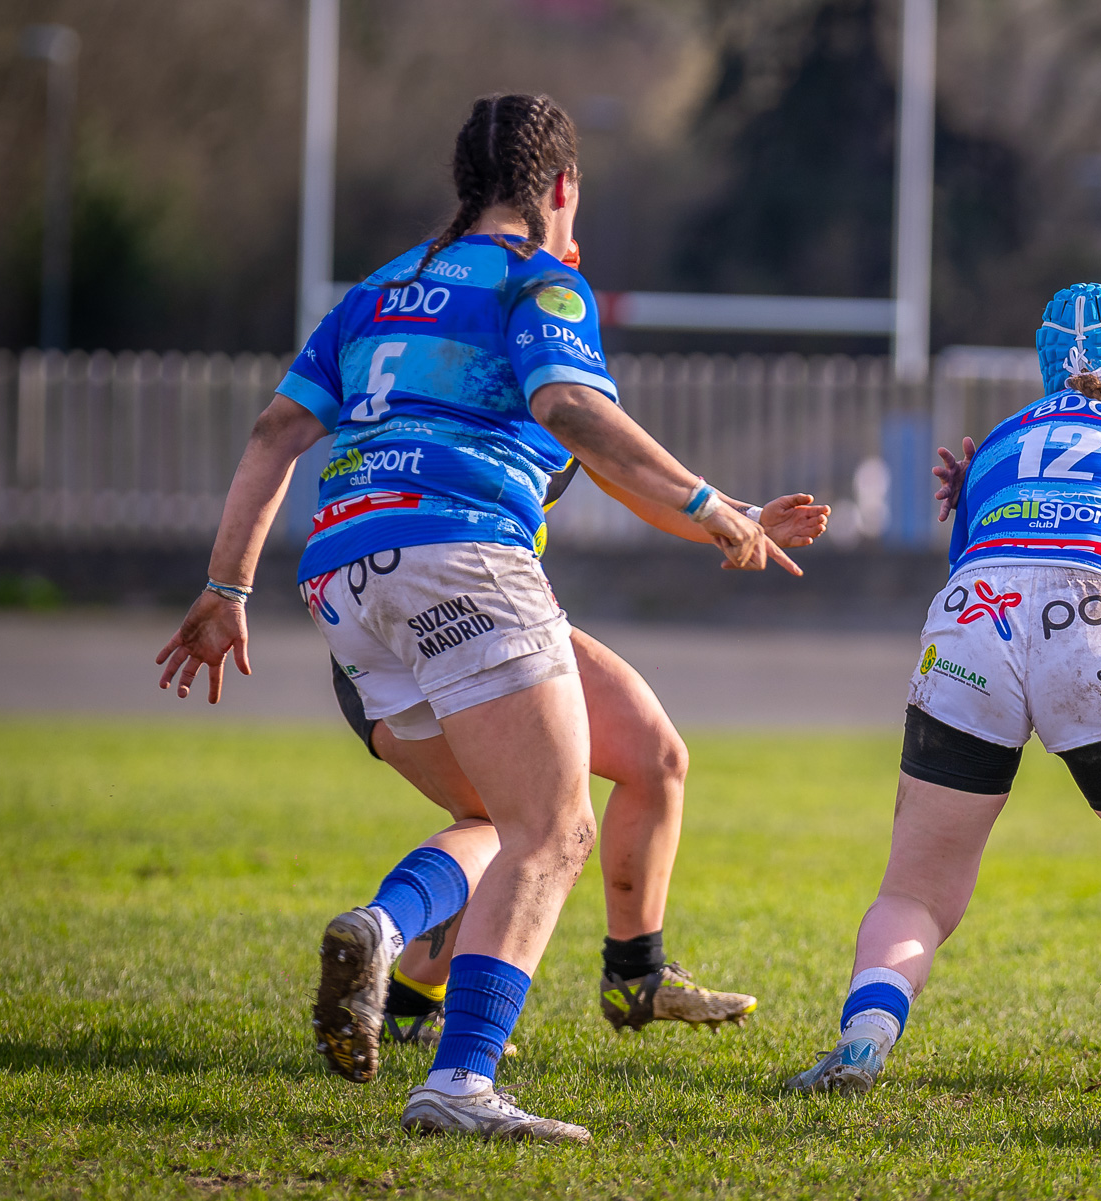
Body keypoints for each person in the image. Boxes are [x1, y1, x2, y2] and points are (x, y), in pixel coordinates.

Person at [157, 92, 797, 1143]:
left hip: (349, 577)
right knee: (552, 828)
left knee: (538, 802)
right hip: (465, 557)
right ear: (560, 190)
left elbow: (277, 432)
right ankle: (460, 1081)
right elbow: (573, 412)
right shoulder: (539, 281)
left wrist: (228, 589)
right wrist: (703, 503)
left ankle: (389, 929)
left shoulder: (378, 288)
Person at [785, 283, 1101, 1096]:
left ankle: (864, 1039)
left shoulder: (997, 444)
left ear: (1048, 365)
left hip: (972, 618)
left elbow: (979, 558)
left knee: (915, 886)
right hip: (1095, 617)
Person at [353, 472, 828, 1050]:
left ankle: (634, 972)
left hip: (398, 586)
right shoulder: (541, 381)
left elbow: (627, 470)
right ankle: (389, 941)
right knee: (520, 824)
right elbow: (614, 447)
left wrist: (741, 515)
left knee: (653, 759)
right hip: (456, 584)